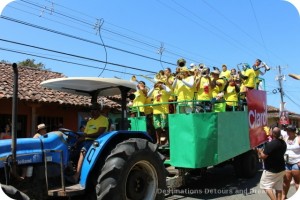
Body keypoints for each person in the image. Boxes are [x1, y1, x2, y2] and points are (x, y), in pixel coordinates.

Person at [66, 103, 108, 183]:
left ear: (99, 111)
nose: (92, 112)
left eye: (95, 110)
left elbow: (100, 133)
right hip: (87, 139)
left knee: (83, 151)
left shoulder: (103, 119)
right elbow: (85, 135)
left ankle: (76, 176)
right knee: (70, 149)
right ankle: (68, 170)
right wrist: (76, 142)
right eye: (91, 110)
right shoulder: (90, 122)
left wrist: (86, 136)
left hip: (96, 140)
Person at [257, 126, 287, 200]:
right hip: (281, 169)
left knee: (265, 185)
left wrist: (259, 151)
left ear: (272, 134)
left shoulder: (270, 144)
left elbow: (263, 157)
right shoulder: (283, 143)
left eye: (270, 130)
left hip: (271, 170)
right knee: (278, 188)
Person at [148, 79, 171, 145]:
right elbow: (148, 95)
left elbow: (169, 91)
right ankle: (158, 142)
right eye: (158, 83)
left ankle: (168, 141)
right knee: (157, 127)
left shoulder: (165, 90)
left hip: (164, 111)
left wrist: (163, 85)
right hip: (156, 111)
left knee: (165, 126)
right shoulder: (155, 91)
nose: (159, 84)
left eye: (160, 83)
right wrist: (153, 87)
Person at [282, 125, 300, 200]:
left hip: (296, 163)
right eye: (287, 131)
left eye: (289, 131)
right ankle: (284, 196)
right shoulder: (285, 138)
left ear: (293, 131)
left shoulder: (298, 139)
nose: (287, 132)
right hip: (287, 163)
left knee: (297, 183)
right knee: (286, 182)